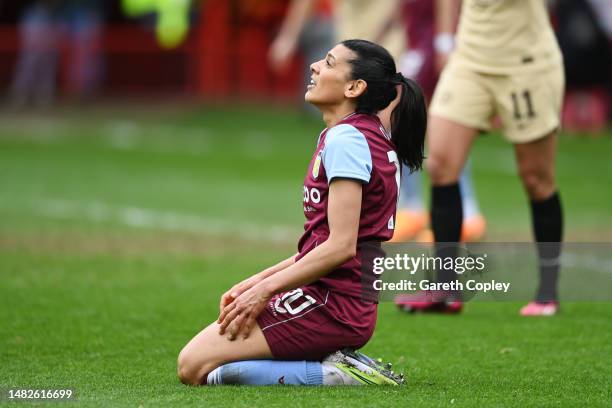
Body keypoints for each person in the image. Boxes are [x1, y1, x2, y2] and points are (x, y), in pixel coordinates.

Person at [177, 39, 427, 386]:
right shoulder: (361, 135)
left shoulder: (348, 140)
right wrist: (257, 282)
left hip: (333, 305)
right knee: (205, 362)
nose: (314, 67)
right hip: (335, 298)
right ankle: (336, 358)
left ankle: (339, 373)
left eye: (328, 62)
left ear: (355, 87)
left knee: (194, 368)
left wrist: (265, 292)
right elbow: (322, 245)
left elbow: (341, 247)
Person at [396, 0, 565, 315]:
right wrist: (445, 40)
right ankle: (446, 287)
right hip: (470, 60)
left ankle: (547, 293)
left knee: (537, 179)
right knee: (441, 164)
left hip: (525, 64)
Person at [391, 0, 486, 243]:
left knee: (422, 120)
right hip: (419, 46)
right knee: (407, 121)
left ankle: (461, 212)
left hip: (432, 45)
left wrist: (444, 43)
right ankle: (418, 208)